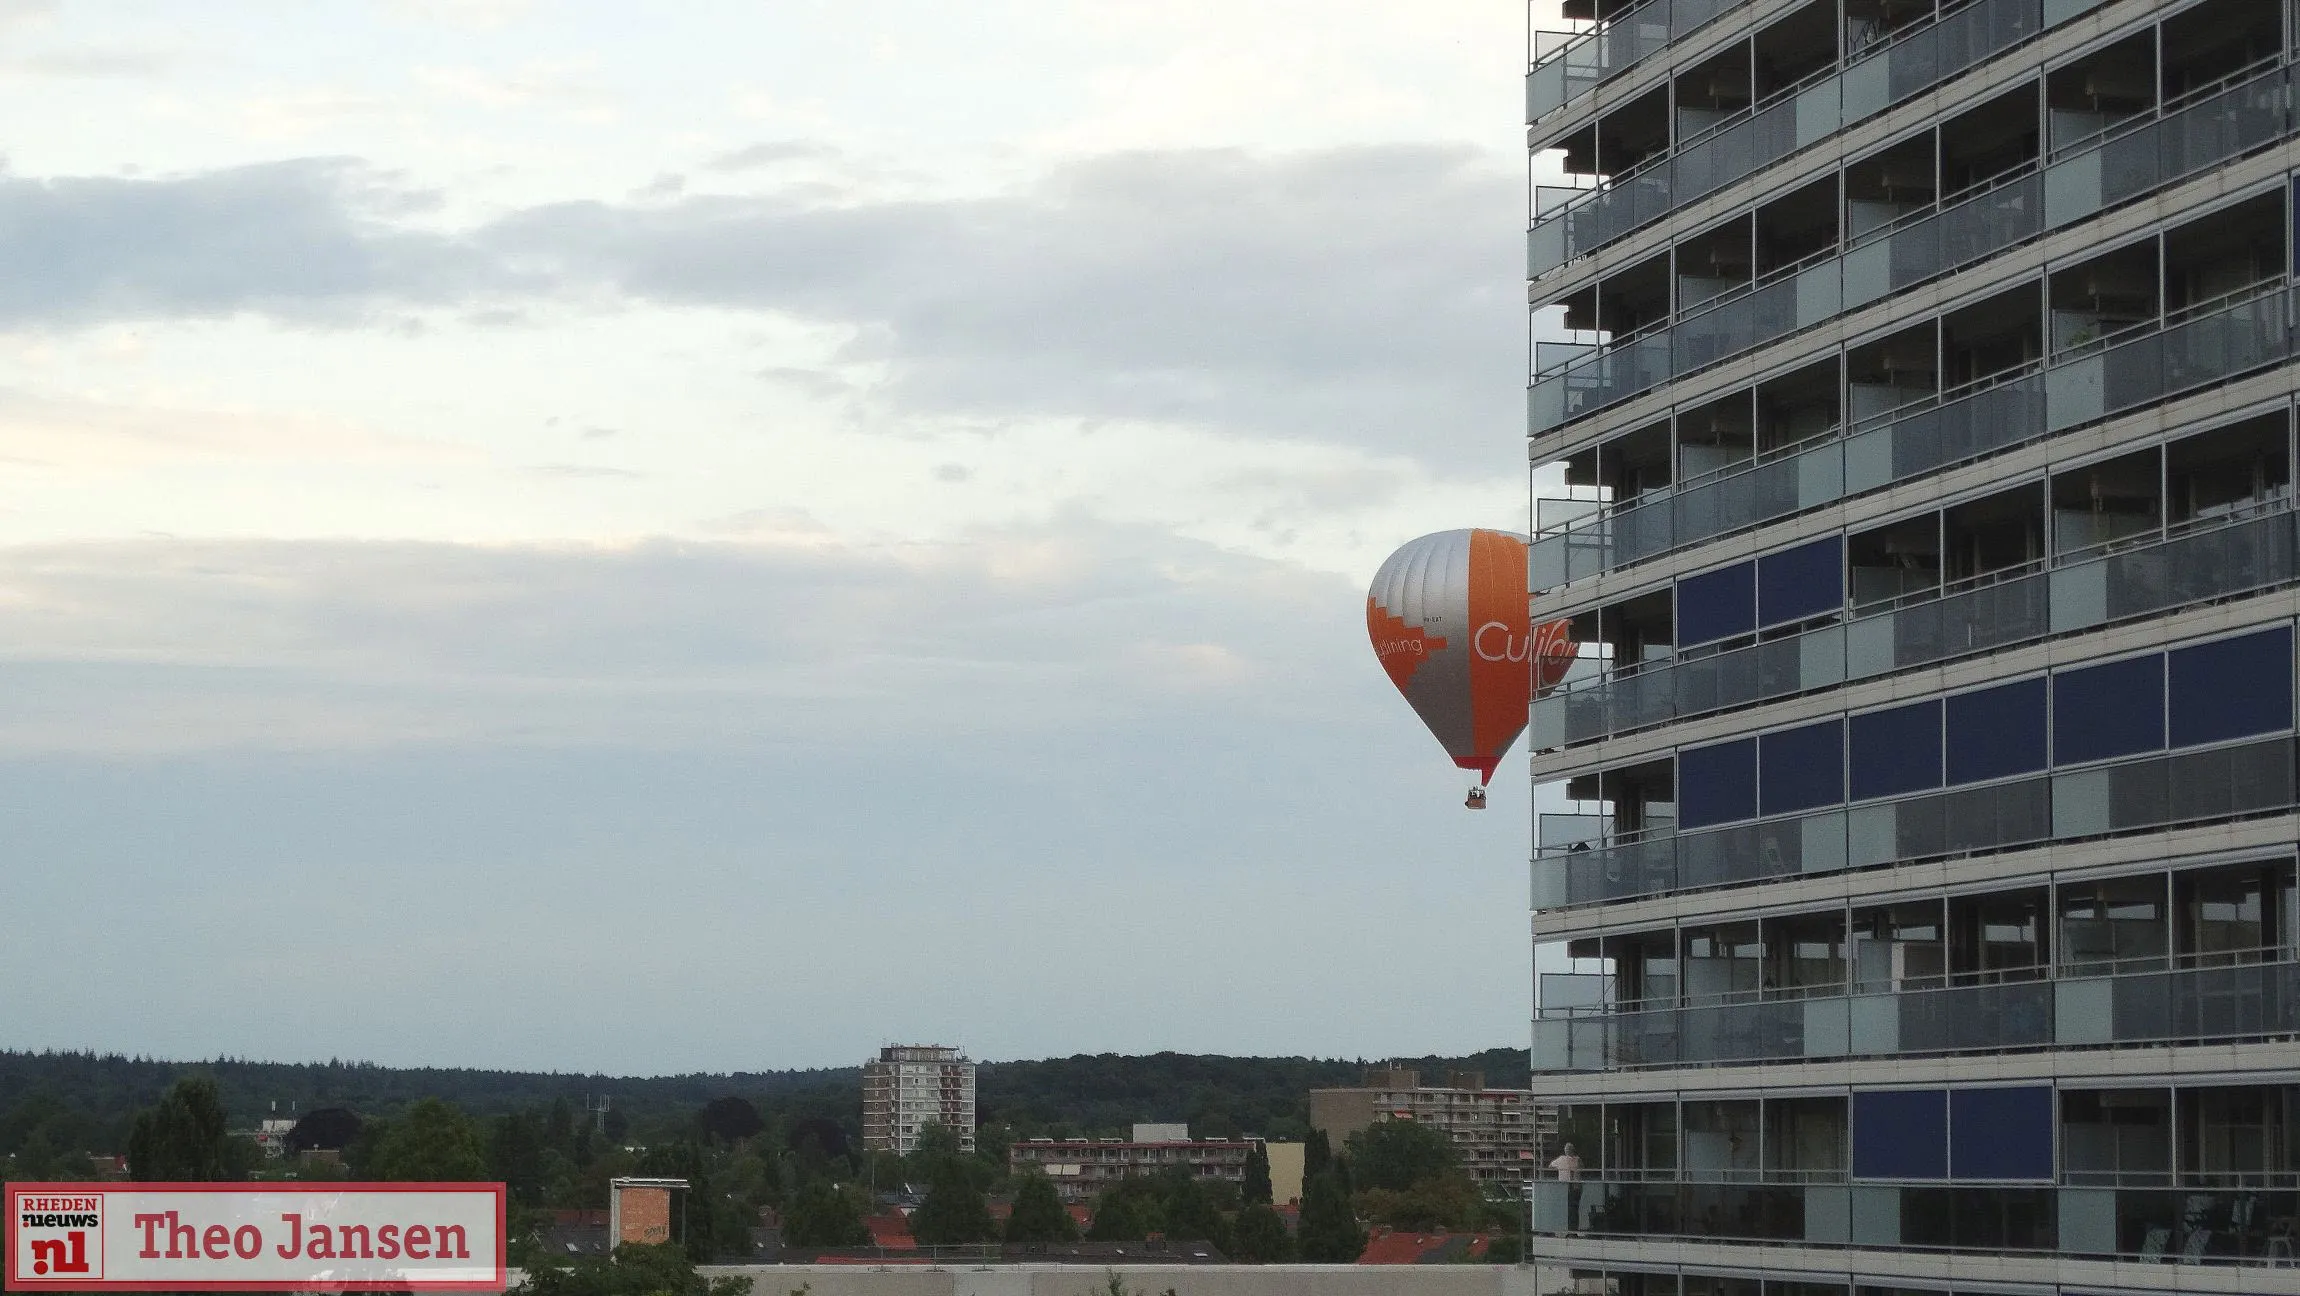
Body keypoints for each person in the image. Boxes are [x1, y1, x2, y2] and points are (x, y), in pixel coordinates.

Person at [1549, 1141, 1583, 1231]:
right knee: (1573, 1209)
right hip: (1575, 1187)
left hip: (1567, 1188)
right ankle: (1572, 1229)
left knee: (1568, 1209)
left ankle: (1568, 1228)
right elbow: (1582, 1169)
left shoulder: (1562, 1159)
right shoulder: (1577, 1160)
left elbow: (1550, 1166)